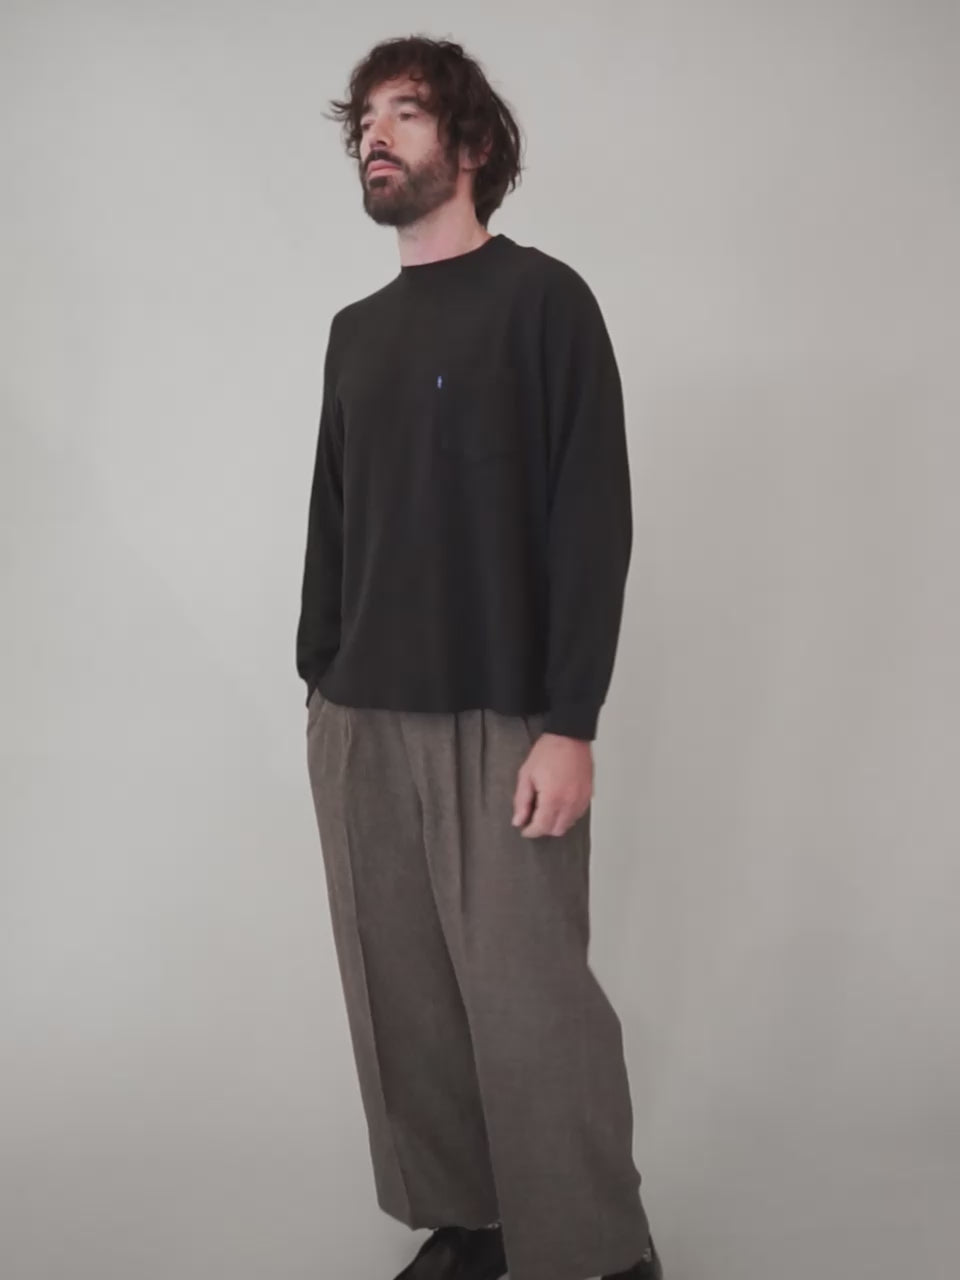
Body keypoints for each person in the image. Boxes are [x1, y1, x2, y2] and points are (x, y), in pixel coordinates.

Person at [296, 34, 663, 1280]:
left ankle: (601, 1255)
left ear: (475, 143)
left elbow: (591, 515)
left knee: (532, 1002)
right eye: (365, 119)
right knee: (402, 999)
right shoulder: (355, 333)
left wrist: (572, 718)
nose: (375, 134)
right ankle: (473, 1225)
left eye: (405, 112)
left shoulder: (543, 302)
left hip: (505, 718)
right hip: (361, 717)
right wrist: (318, 677)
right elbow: (334, 516)